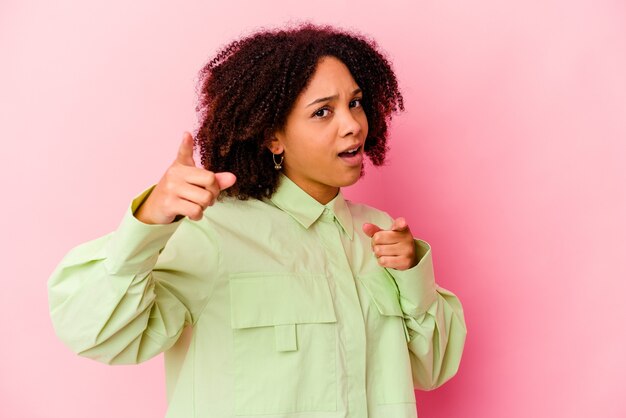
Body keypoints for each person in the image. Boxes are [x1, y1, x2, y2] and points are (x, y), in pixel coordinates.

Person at [48, 23, 467, 418]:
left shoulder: (379, 234)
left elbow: (433, 369)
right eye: (323, 112)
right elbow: (93, 331)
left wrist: (413, 274)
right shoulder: (211, 232)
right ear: (273, 137)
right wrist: (150, 220)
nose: (352, 125)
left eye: (355, 103)